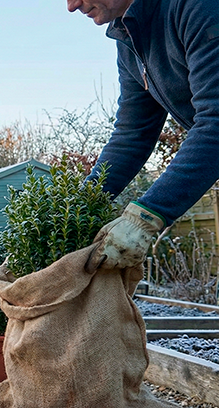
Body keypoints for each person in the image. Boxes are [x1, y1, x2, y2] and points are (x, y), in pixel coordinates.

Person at [66, 0, 219, 271]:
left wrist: (145, 217)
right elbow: (132, 135)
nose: (72, 5)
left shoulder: (197, 7)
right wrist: (76, 209)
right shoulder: (129, 38)